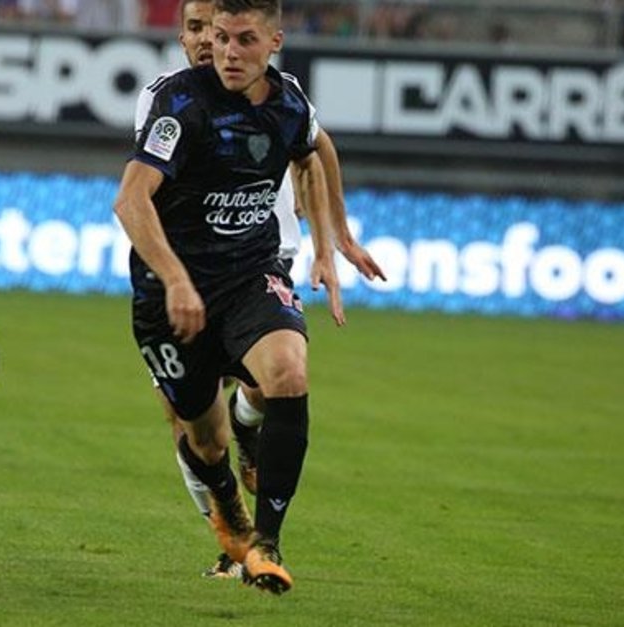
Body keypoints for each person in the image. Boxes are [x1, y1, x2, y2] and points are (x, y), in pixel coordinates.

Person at [114, 0, 382, 594]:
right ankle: (228, 518)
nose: (223, 50)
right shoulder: (174, 102)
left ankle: (265, 543)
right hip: (174, 286)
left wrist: (334, 238)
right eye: (214, 35)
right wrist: (176, 279)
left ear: (273, 42)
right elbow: (132, 199)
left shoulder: (288, 101)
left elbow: (315, 150)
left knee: (285, 371)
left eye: (241, 39)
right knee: (199, 434)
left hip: (253, 269)